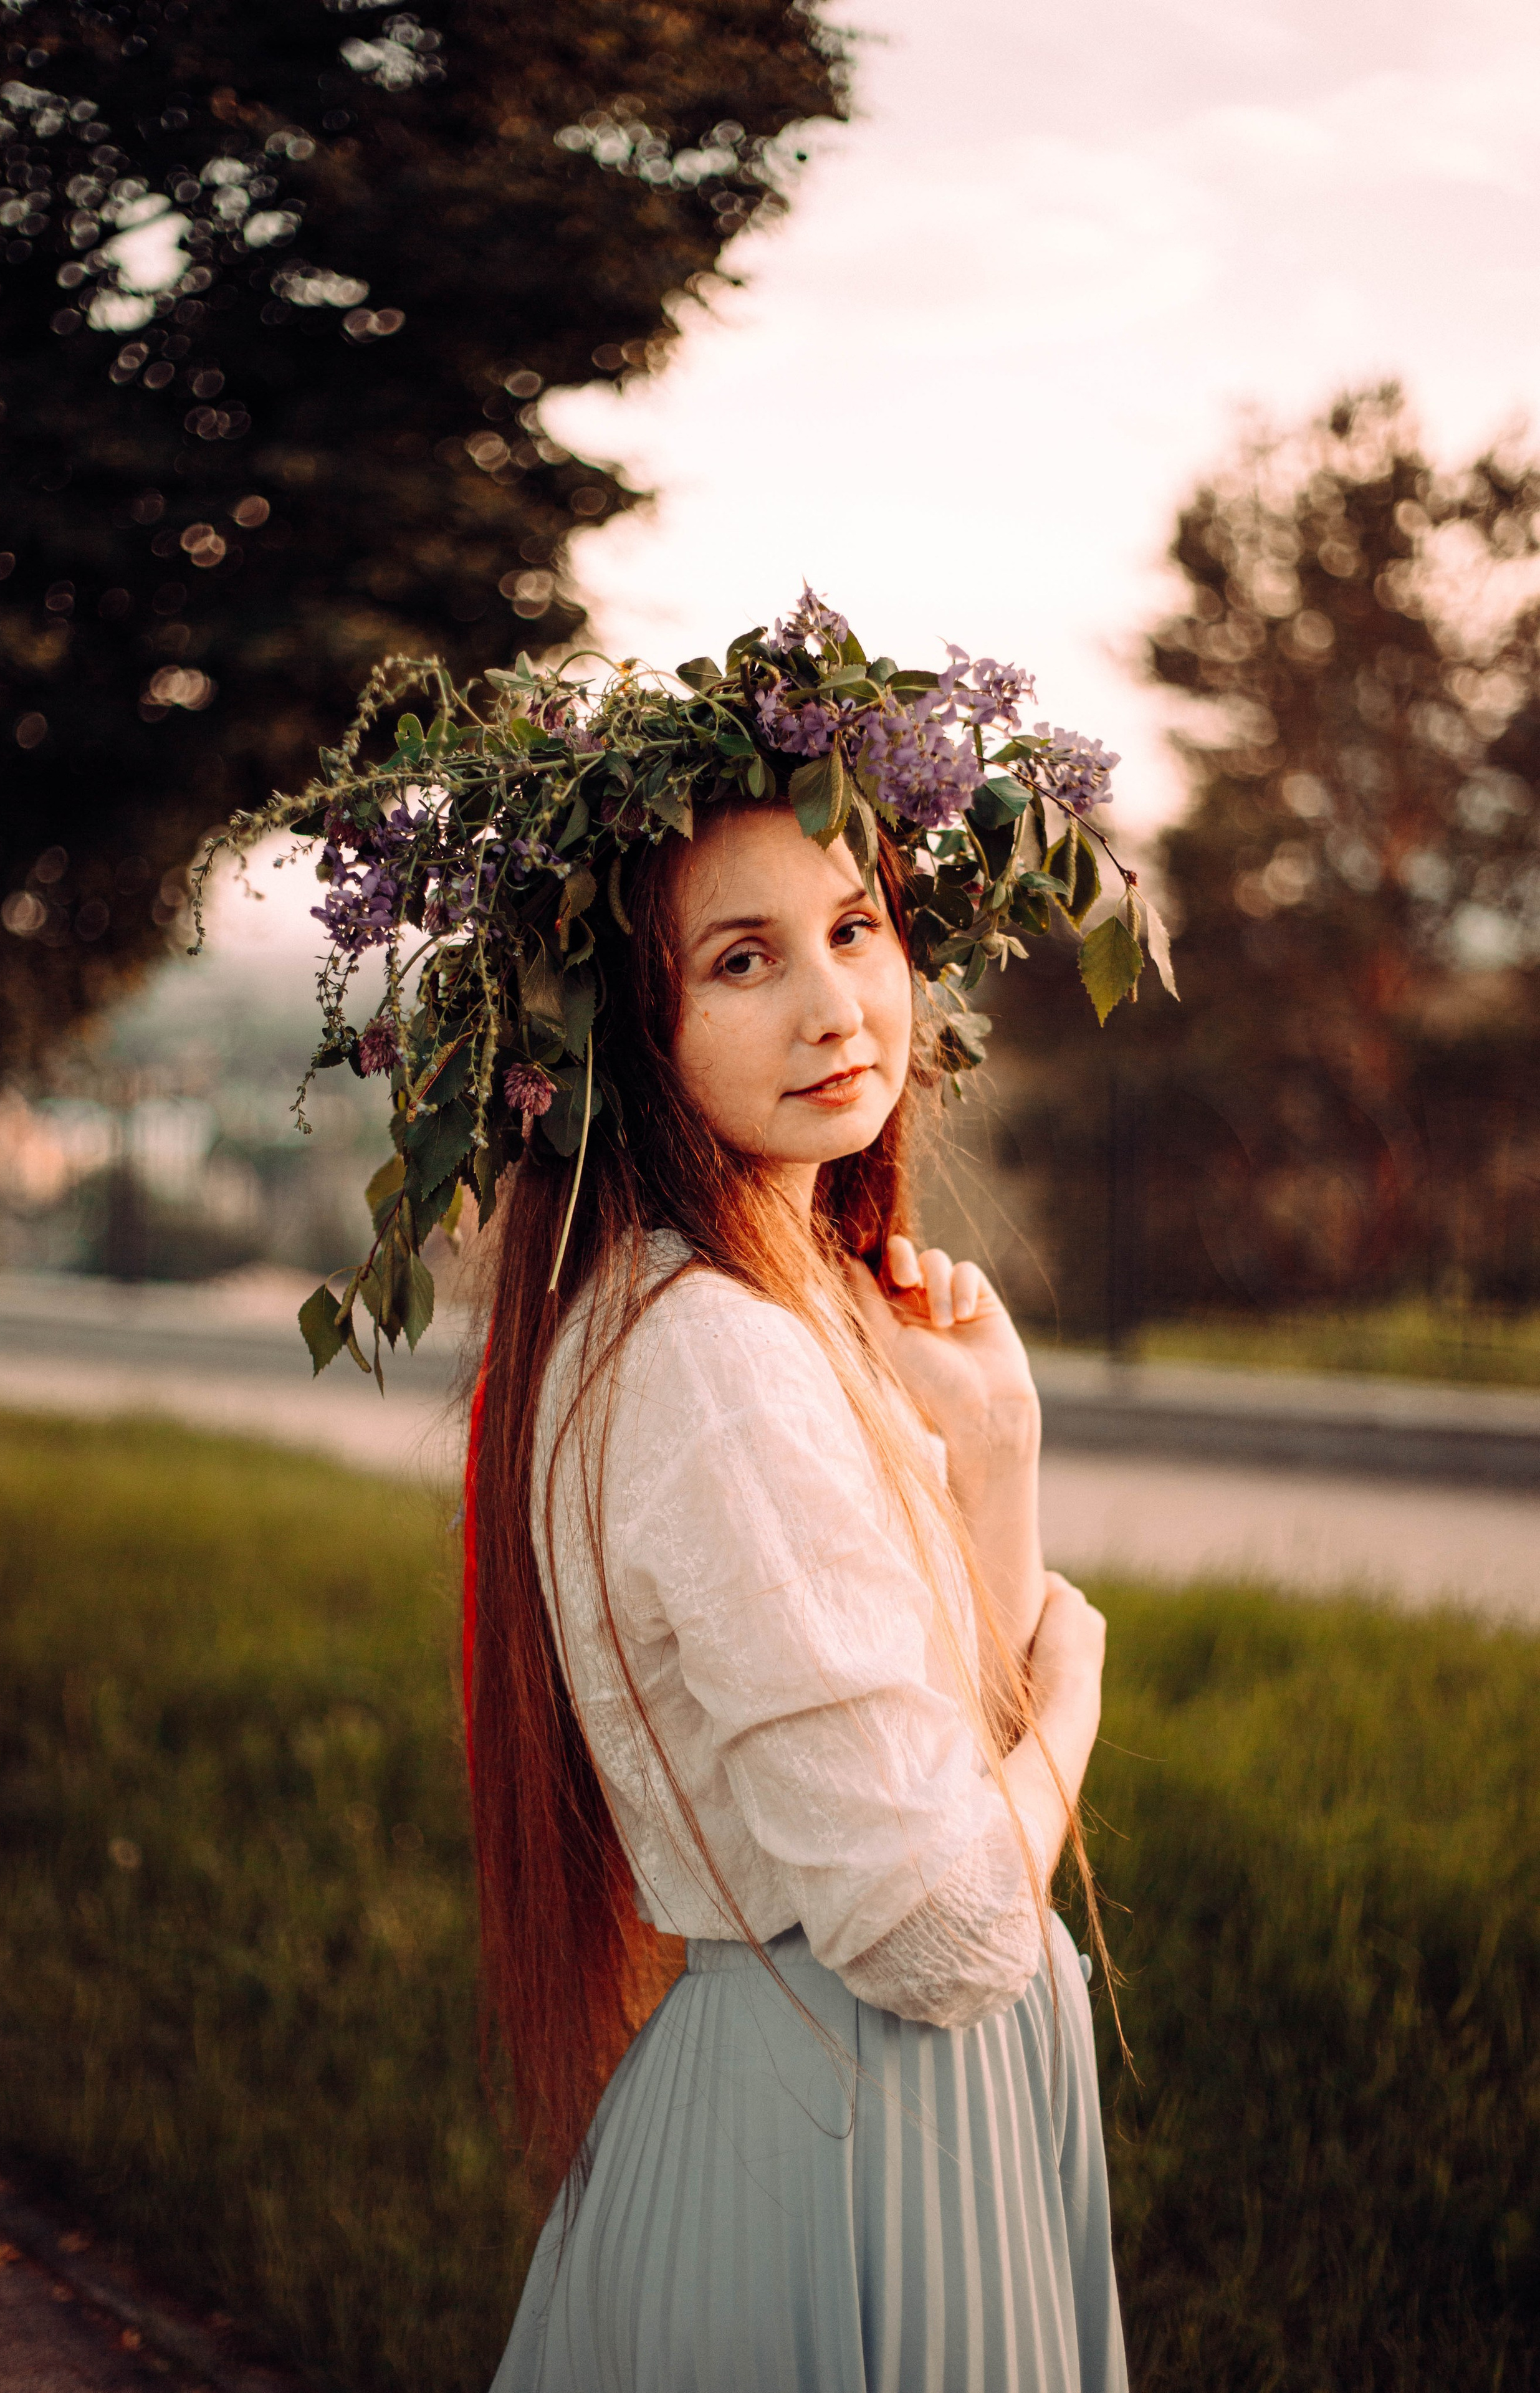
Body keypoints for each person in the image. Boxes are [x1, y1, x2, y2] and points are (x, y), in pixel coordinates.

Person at [473, 795, 1127, 2392]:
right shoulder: (711, 1359)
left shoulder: (765, 1310)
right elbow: (945, 1929)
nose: (835, 1005)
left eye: (854, 930)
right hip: (849, 2131)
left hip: (871, 2098)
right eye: (743, 959)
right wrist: (1078, 1694)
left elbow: (930, 1773)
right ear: (626, 1031)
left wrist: (994, 1444)